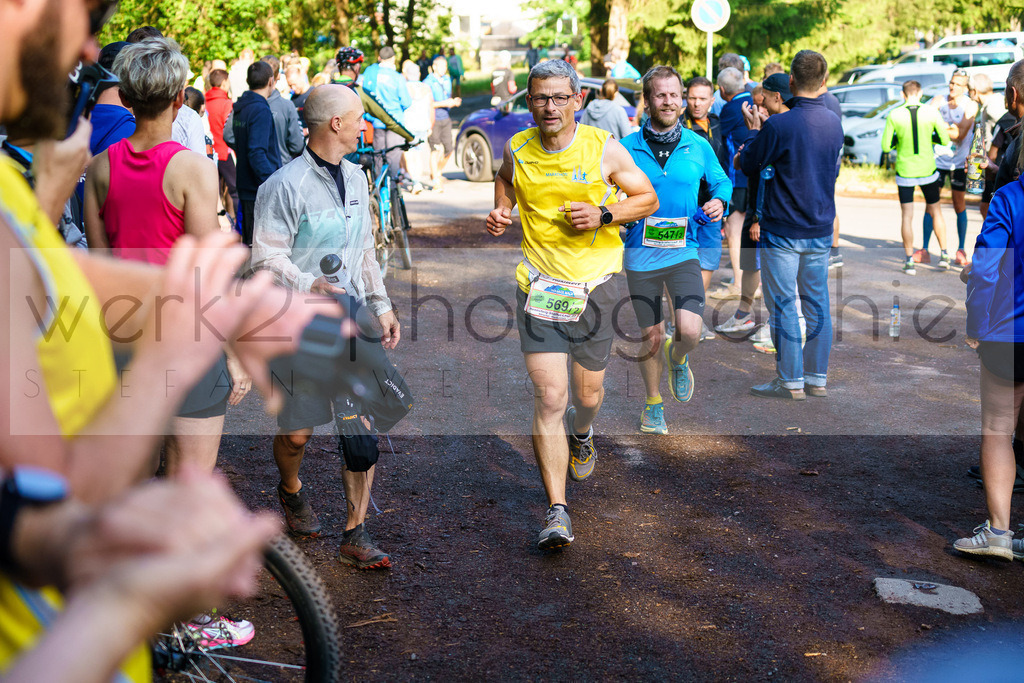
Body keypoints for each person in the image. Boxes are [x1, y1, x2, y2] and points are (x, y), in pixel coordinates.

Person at [485, 60, 658, 551]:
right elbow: (503, 179)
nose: (550, 107)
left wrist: (605, 213)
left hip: (595, 288)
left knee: (587, 398)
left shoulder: (603, 148)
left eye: (560, 97)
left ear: (577, 100)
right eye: (541, 98)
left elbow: (646, 198)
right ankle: (557, 510)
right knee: (550, 398)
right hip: (539, 287)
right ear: (529, 102)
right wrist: (502, 210)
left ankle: (583, 434)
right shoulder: (517, 147)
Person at [252, 85, 402, 568]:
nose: (365, 126)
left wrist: (381, 304)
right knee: (297, 434)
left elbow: (363, 252)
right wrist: (307, 281)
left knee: (361, 430)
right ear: (335, 123)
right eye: (359, 117)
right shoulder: (282, 185)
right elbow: (265, 257)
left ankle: (355, 532)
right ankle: (291, 489)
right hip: (296, 321)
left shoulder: (358, 178)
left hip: (351, 320)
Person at [620, 66, 730, 435]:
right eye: (660, 95)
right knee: (651, 335)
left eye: (674, 94)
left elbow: (721, 181)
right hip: (640, 256)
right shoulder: (625, 148)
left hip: (684, 250)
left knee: (690, 330)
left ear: (682, 99)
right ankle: (653, 405)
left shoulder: (698, 144)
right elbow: (603, 192)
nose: (669, 101)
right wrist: (617, 211)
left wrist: (719, 201)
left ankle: (678, 357)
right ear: (648, 100)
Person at [739, 50, 843, 400]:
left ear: (792, 83)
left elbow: (750, 164)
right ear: (824, 81)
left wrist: (755, 132)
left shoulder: (779, 125)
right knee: (817, 304)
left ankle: (790, 381)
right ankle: (816, 379)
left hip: (783, 229)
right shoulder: (833, 121)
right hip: (819, 227)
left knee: (783, 305)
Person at [954, 139, 1024, 561]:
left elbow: (985, 266)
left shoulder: (1009, 198)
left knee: (999, 428)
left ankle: (998, 532)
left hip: (1009, 331)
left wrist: (975, 323)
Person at [880, 80, 951, 276]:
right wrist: (930, 138)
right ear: (920, 94)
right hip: (928, 169)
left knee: (907, 215)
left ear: (903, 95)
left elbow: (886, 147)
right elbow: (945, 140)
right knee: (936, 211)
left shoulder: (894, 114)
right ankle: (945, 256)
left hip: (905, 171)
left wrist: (899, 142)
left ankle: (909, 261)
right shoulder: (931, 112)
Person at [682, 75, 733, 330]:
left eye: (702, 98)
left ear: (712, 101)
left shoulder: (719, 123)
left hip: (713, 206)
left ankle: (693, 315)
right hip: (685, 207)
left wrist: (723, 200)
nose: (697, 103)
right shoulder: (678, 126)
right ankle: (682, 319)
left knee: (709, 260)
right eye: (692, 98)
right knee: (682, 262)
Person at [919, 69, 977, 268]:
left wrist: (938, 123)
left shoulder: (970, 105)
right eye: (951, 83)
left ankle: (961, 250)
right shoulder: (937, 100)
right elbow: (924, 122)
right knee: (930, 203)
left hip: (959, 162)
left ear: (965, 87)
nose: (952, 87)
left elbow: (960, 134)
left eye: (958, 84)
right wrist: (948, 126)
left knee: (959, 204)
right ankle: (925, 249)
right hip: (937, 161)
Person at [709, 66, 752, 302]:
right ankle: (752, 282)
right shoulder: (756, 100)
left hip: (738, 179)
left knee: (734, 232)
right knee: (751, 232)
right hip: (756, 178)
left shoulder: (730, 109)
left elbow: (719, 140)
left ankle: (739, 283)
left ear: (722, 90)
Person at [232, 59, 282, 246]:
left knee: (251, 246)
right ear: (271, 81)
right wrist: (273, 182)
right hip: (259, 191)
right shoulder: (260, 110)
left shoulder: (242, 108)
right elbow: (256, 153)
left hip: (247, 187)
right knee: (259, 250)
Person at [363, 46, 411, 183]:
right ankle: (393, 190)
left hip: (377, 122)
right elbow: (406, 102)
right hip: (395, 123)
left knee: (378, 157)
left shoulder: (371, 72)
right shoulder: (397, 78)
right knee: (393, 158)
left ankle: (379, 188)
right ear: (393, 59)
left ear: (379, 58)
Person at [206, 68, 240, 226]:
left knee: (214, 194)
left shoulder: (204, 101)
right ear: (225, 83)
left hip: (208, 153)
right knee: (235, 191)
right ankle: (236, 225)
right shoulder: (227, 104)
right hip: (225, 152)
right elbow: (231, 130)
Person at [261, 55, 305, 165]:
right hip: (279, 169)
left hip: (249, 175)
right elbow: (297, 144)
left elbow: (229, 135)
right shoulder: (287, 106)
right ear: (279, 76)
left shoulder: (242, 105)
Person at [426, 55, 461, 190]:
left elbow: (447, 97)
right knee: (435, 149)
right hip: (433, 118)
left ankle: (437, 172)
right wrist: (445, 103)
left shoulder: (447, 80)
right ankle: (436, 180)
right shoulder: (427, 82)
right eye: (441, 66)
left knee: (449, 149)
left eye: (445, 67)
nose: (444, 69)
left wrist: (453, 102)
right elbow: (428, 104)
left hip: (446, 117)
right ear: (434, 67)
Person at [402, 59, 434, 192]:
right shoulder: (426, 88)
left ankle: (414, 181)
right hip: (423, 125)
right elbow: (431, 108)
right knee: (420, 154)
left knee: (410, 154)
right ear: (419, 73)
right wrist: (431, 125)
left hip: (408, 125)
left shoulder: (404, 87)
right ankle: (418, 181)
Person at [287, 63, 312, 129]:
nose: (293, 88)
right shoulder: (293, 98)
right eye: (290, 85)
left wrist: (307, 131)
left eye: (294, 84)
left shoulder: (314, 94)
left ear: (301, 78)